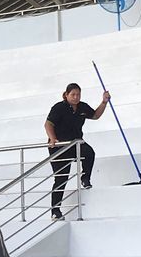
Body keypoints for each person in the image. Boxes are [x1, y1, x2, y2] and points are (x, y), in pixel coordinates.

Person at [44, 83, 110, 219]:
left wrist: (104, 102)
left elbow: (95, 115)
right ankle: (55, 211)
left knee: (89, 153)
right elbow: (48, 124)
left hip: (75, 144)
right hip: (59, 147)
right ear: (66, 95)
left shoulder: (82, 107)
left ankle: (85, 178)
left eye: (78, 94)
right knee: (61, 178)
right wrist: (52, 138)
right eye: (73, 94)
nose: (75, 97)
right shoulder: (59, 107)